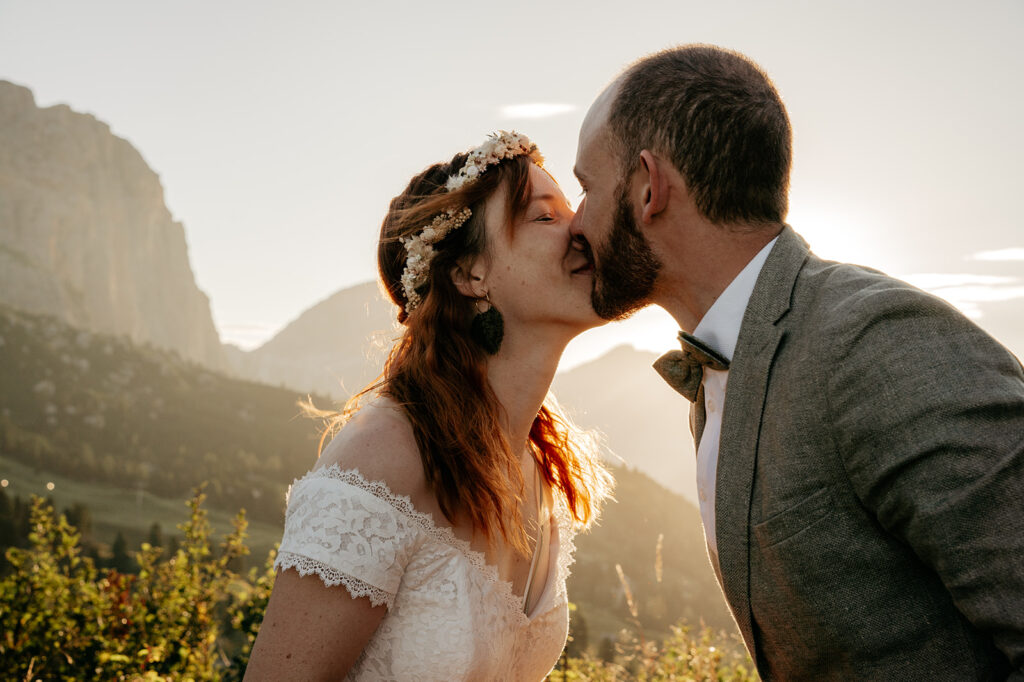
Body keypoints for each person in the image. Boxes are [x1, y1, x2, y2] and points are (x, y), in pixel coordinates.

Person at [569, 45, 1024, 680]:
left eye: (586, 187)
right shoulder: (721, 366)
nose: (575, 220)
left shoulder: (877, 342)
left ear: (649, 188)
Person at [244, 131, 612, 681]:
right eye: (545, 217)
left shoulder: (540, 471)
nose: (581, 228)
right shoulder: (384, 457)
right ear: (470, 275)